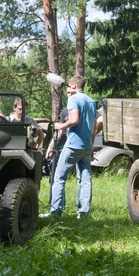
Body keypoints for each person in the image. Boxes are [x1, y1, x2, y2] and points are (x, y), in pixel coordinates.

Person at [41, 76, 98, 219]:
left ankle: (56, 212)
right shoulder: (91, 102)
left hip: (73, 145)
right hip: (86, 145)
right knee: (85, 179)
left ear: (73, 85)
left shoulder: (73, 99)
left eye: (68, 87)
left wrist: (60, 125)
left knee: (59, 178)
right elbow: (95, 126)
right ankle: (84, 212)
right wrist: (91, 146)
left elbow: (74, 120)